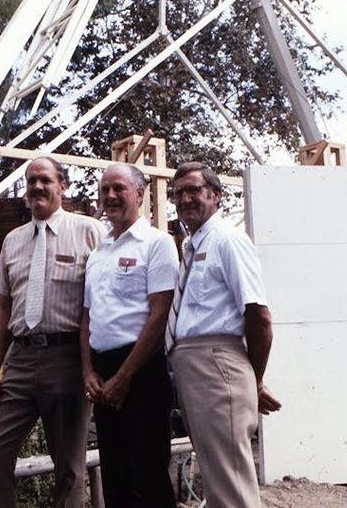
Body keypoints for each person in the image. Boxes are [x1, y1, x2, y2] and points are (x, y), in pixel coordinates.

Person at [0, 156, 105, 508]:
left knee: (69, 466)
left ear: (62, 186)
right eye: (30, 181)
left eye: (45, 180)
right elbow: (3, 307)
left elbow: (102, 300)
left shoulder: (89, 232)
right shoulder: (13, 241)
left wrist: (90, 366)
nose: (37, 187)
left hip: (67, 359)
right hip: (19, 360)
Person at [166, 161, 282, 507]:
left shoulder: (227, 241)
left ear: (215, 196)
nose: (185, 199)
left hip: (217, 365)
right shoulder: (191, 246)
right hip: (194, 367)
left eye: (194, 190)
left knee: (230, 485)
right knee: (219, 479)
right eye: (178, 193)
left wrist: (253, 379)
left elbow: (259, 317)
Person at [81, 164, 179, 508]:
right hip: (103, 372)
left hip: (143, 369)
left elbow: (160, 312)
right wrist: (88, 372)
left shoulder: (157, 244)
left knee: (149, 477)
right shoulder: (98, 253)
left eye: (119, 188)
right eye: (105, 189)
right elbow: (87, 317)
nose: (110, 196)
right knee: (115, 477)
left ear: (140, 193)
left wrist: (125, 376)